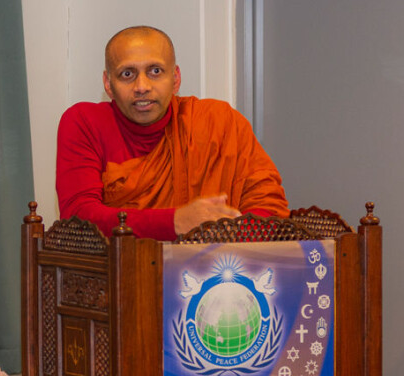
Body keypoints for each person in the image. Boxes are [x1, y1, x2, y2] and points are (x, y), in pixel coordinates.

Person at [56, 25, 289, 241]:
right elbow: (79, 218)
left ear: (175, 79)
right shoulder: (84, 123)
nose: (142, 86)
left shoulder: (219, 123)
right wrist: (176, 221)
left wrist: (219, 237)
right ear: (108, 84)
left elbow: (269, 209)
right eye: (127, 74)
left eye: (155, 71)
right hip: (118, 277)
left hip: (215, 275)